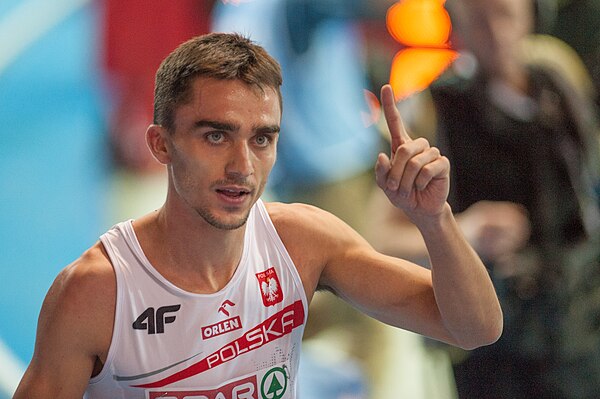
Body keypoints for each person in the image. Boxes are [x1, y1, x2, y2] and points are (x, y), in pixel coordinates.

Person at [13, 32, 502, 398]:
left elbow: (475, 328)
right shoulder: (96, 292)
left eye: (262, 139)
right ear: (161, 144)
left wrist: (435, 220)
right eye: (216, 136)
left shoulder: (301, 242)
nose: (242, 167)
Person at [366, 0, 600, 397]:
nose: (495, 32)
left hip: (580, 321)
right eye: (478, 19)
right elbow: (380, 238)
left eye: (504, 14)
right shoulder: (436, 108)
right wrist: (465, 230)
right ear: (457, 27)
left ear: (531, 15)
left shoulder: (558, 81)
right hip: (498, 341)